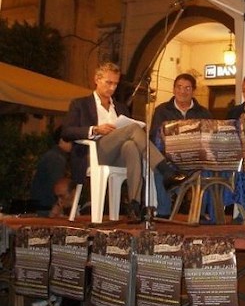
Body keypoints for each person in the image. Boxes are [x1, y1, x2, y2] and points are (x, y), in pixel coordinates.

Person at [62, 62, 195, 222]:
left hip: (118, 155)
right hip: (94, 152)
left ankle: (134, 205)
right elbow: (66, 132)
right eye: (108, 82)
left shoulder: (120, 107)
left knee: (131, 146)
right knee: (132, 129)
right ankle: (165, 170)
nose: (112, 88)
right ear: (97, 79)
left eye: (115, 84)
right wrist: (95, 129)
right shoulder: (80, 104)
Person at [150, 73, 212, 217]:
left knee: (207, 170)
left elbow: (209, 138)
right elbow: (154, 136)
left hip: (195, 159)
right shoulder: (162, 110)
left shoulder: (203, 113)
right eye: (179, 87)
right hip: (169, 159)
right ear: (173, 89)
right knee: (159, 169)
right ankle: (163, 212)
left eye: (187, 88)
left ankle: (199, 213)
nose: (182, 92)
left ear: (193, 91)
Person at [30, 126, 72, 215]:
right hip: (47, 208)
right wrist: (57, 205)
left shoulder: (54, 156)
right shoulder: (56, 158)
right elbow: (56, 186)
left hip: (43, 206)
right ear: (61, 140)